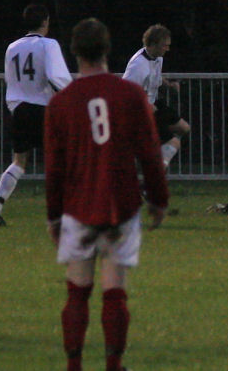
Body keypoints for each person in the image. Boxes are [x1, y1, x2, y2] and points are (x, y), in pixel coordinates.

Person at [45, 18, 169, 371]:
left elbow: (54, 169)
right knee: (114, 289)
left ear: (74, 51)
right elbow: (149, 154)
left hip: (79, 205)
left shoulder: (62, 102)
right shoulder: (129, 94)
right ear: (107, 49)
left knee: (77, 289)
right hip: (121, 205)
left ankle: (74, 366)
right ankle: (114, 365)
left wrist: (54, 216)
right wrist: (159, 200)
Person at [0, 4, 72, 226]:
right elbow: (57, 77)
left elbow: (12, 82)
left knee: (19, 161)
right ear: (45, 22)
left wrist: (15, 107)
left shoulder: (12, 48)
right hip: (43, 109)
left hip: (19, 109)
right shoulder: (49, 44)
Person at [123, 23, 190, 171]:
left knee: (183, 128)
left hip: (153, 104)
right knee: (173, 143)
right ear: (153, 44)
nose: (167, 49)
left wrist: (169, 85)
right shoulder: (138, 65)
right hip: (141, 110)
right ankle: (155, 172)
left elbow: (156, 77)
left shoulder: (157, 58)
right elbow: (126, 93)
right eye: (164, 46)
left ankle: (152, 160)